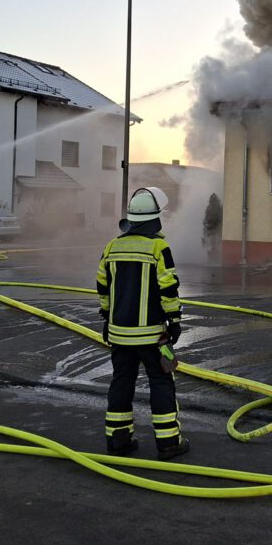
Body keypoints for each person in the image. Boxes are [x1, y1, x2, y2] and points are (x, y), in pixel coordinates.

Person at [95, 186, 189, 459]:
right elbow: (168, 287)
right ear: (155, 218)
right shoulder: (158, 247)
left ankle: (119, 440)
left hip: (119, 335)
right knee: (161, 382)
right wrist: (174, 321)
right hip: (151, 336)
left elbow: (102, 286)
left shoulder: (112, 247)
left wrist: (107, 317)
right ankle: (169, 442)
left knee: (121, 382)